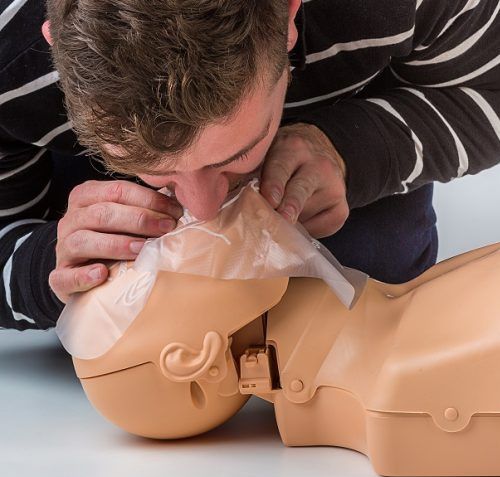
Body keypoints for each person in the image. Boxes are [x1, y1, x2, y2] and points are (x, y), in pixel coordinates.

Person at [1, 0, 499, 331]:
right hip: (62, 163)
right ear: (54, 46)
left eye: (235, 154)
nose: (204, 209)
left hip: (341, 105)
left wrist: (355, 149)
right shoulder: (8, 55)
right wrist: (45, 265)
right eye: (156, 170)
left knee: (378, 257)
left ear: (288, 17)